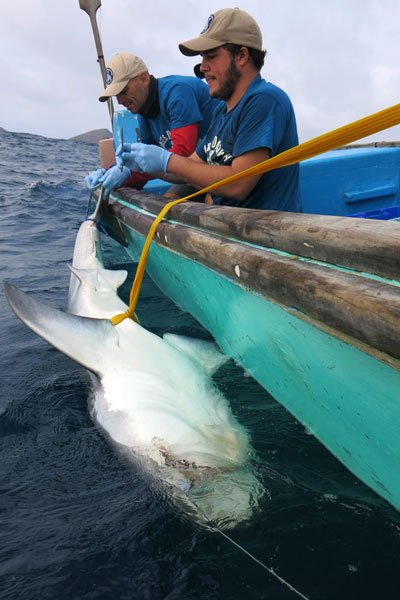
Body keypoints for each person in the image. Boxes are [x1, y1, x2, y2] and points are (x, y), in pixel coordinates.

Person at [117, 8, 302, 211]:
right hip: (227, 227)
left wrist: (166, 161)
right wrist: (135, 168)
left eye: (211, 56)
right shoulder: (222, 111)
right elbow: (188, 169)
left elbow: (237, 184)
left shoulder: (265, 100)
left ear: (241, 56)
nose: (203, 67)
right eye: (202, 58)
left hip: (261, 238)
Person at [85, 52, 222, 198]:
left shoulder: (177, 93)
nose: (120, 101)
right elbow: (146, 165)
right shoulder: (144, 113)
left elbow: (183, 155)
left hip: (222, 165)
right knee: (167, 208)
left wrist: (132, 170)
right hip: (192, 171)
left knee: (210, 201)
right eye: (116, 96)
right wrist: (120, 174)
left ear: (143, 79)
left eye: (123, 91)